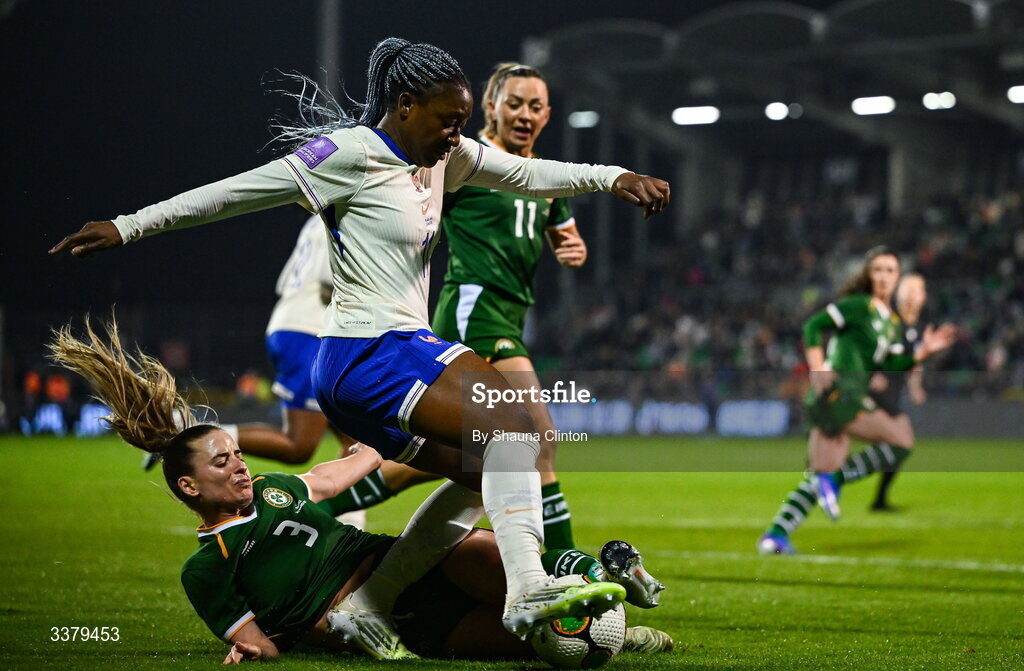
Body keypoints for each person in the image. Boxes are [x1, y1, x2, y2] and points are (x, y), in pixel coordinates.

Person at [49, 37, 670, 651]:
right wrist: (128, 226)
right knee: (515, 425)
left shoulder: (442, 157)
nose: (458, 135)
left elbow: (526, 173)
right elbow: (234, 193)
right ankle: (529, 585)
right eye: (447, 121)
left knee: (491, 471)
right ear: (404, 105)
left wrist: (614, 178)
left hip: (382, 360)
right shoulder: (346, 155)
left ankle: (366, 608)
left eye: (461, 124)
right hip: (368, 350)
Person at [47, 316, 672, 664]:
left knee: (492, 500)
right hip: (389, 624)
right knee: (539, 650)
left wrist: (380, 433)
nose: (240, 466)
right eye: (223, 462)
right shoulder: (205, 567)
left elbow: (333, 474)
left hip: (404, 563)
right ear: (188, 485)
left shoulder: (273, 492)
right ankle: (602, 614)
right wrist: (263, 644)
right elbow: (259, 642)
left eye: (237, 453)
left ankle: (602, 609)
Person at [431, 62, 587, 555]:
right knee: (539, 433)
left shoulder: (543, 176)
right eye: (514, 103)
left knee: (457, 456)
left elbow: (566, 234)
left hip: (507, 317)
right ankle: (567, 562)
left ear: (547, 115)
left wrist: (571, 248)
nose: (524, 113)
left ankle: (327, 495)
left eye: (535, 106)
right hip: (474, 311)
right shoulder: (466, 163)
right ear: (492, 107)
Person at [758, 248, 956, 554]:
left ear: (897, 277)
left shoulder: (890, 321)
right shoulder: (857, 306)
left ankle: (775, 536)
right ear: (868, 275)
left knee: (821, 475)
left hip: (850, 399)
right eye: (877, 270)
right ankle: (830, 483)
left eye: (891, 270)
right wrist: (818, 365)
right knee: (900, 441)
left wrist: (922, 353)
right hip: (836, 394)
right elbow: (813, 326)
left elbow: (890, 366)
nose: (884, 276)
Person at [867, 273, 929, 511]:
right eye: (909, 290)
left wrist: (916, 387)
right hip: (875, 391)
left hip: (893, 392)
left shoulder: (918, 328)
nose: (914, 296)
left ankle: (878, 499)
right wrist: (873, 373)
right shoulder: (890, 322)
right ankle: (837, 476)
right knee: (901, 443)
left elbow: (916, 362)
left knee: (898, 445)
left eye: (918, 290)